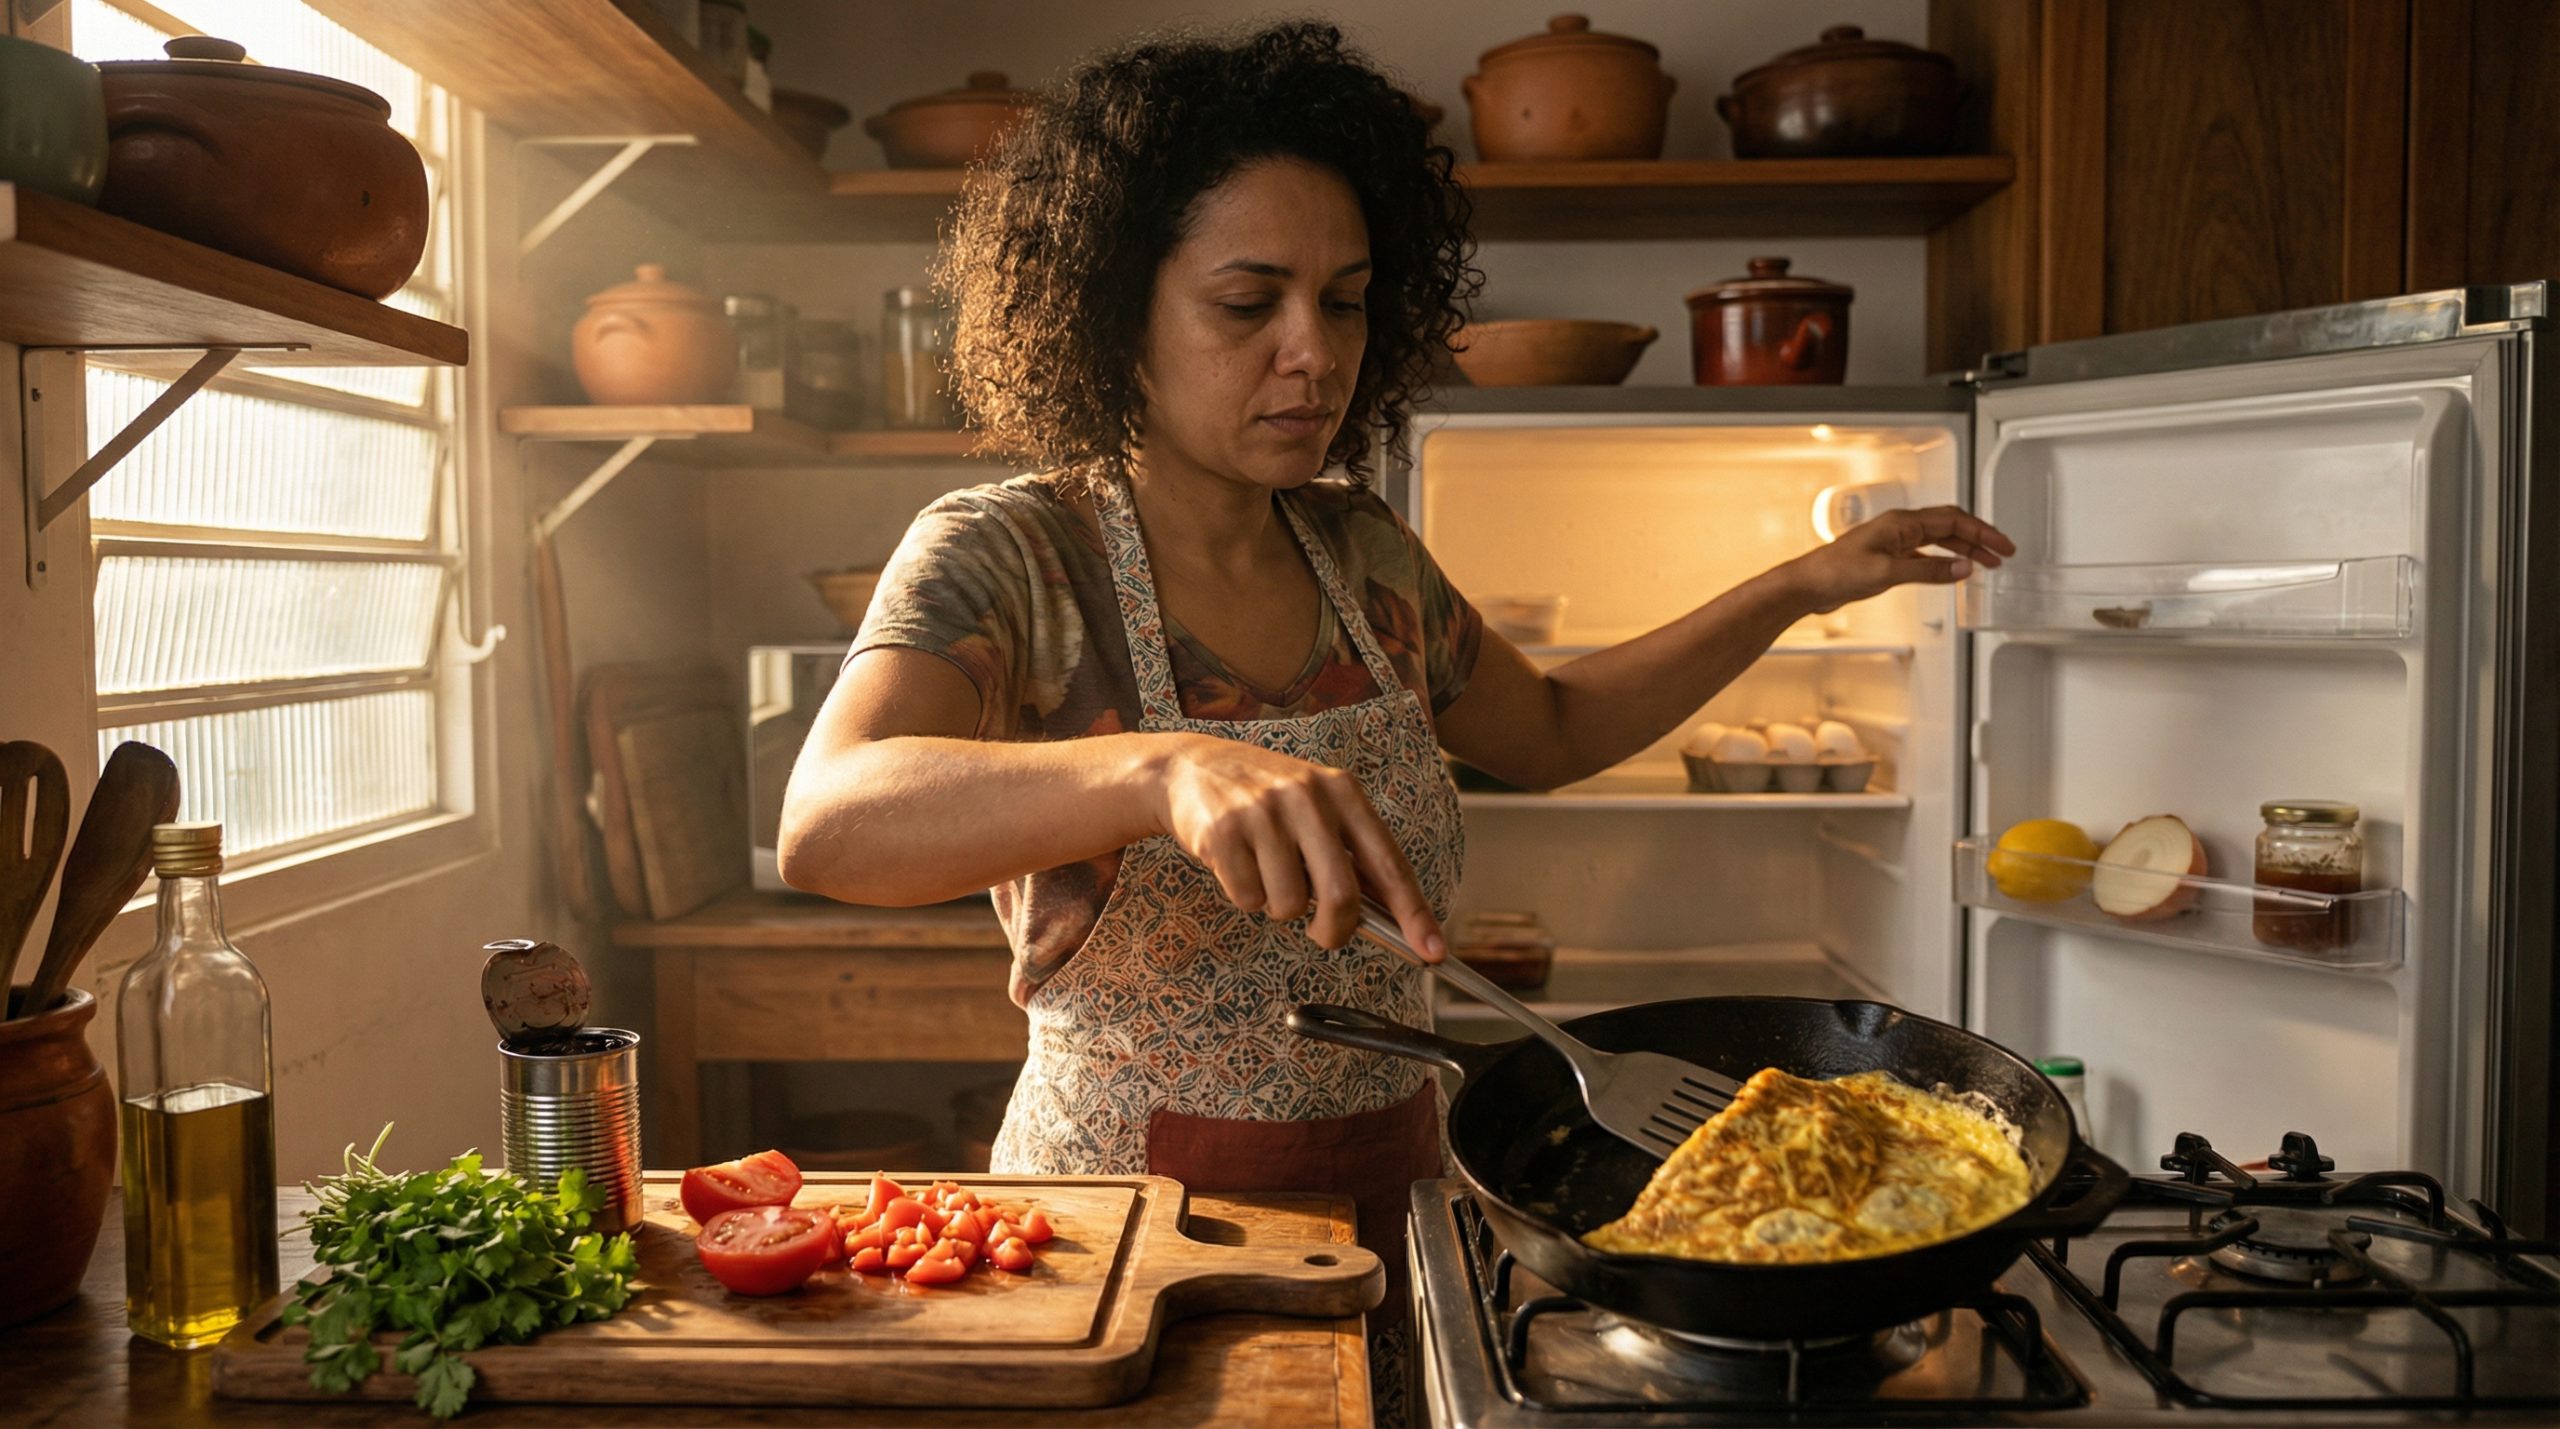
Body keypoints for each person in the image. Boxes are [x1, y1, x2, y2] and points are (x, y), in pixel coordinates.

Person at [778, 20, 2013, 1416]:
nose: (1313, 352)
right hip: (1124, 1248)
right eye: (1250, 304)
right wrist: (1157, 769)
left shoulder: (1358, 550)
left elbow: (1547, 725)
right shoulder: (1008, 554)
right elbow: (828, 820)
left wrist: (1794, 586)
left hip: (1399, 1213)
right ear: (1117, 306)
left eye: (1348, 300)